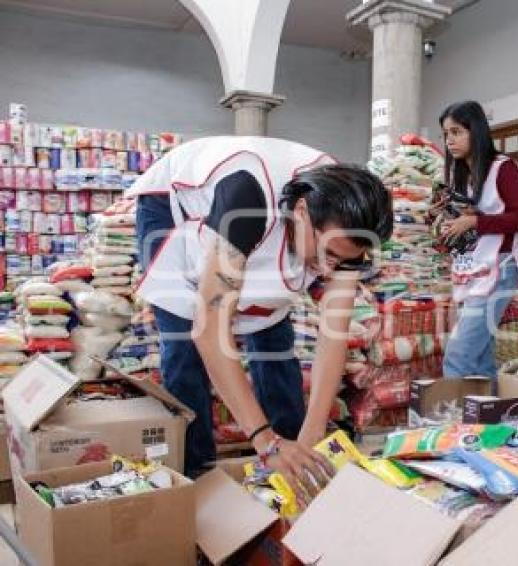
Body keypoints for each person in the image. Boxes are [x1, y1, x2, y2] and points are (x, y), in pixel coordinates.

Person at [129, 136, 392, 503]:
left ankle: (295, 453)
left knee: (272, 331)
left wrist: (313, 432)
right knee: (186, 338)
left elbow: (334, 336)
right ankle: (197, 472)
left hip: (263, 217)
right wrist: (263, 441)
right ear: (301, 211)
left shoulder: (347, 226)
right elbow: (210, 330)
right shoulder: (246, 201)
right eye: (328, 253)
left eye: (342, 260)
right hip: (175, 203)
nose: (330, 267)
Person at [437, 101, 518, 384]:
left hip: (498, 270)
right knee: (480, 360)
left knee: (458, 356)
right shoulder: (461, 175)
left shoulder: (503, 168)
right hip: (471, 271)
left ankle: (452, 425)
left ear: (475, 131)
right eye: (446, 134)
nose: (449, 140)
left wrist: (476, 222)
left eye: (456, 132)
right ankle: (489, 423)